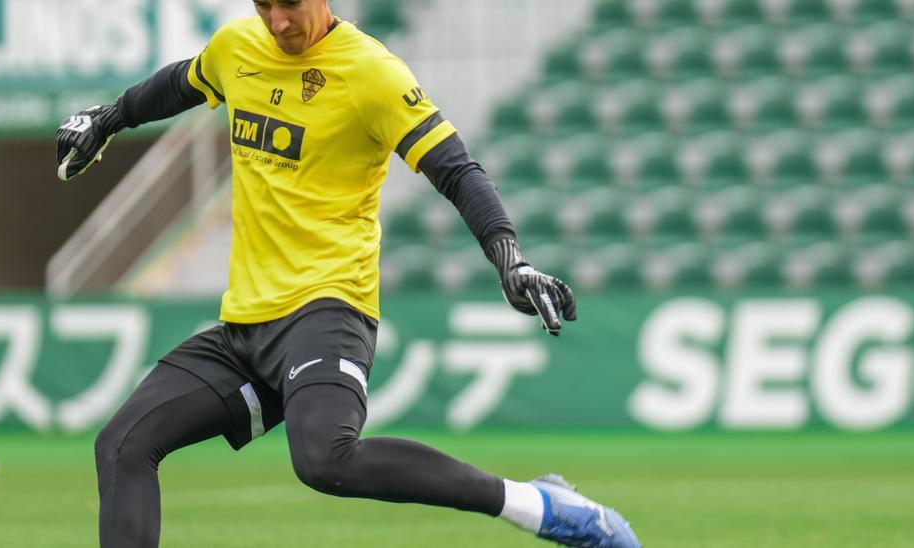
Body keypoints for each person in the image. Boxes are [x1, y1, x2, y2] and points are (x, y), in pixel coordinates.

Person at [55, 1, 640, 546]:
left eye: (290, 4)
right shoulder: (239, 47)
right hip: (246, 325)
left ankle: (539, 505)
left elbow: (458, 170)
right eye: (264, 5)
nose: (278, 22)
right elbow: (182, 81)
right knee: (123, 443)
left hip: (328, 310)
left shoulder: (371, 74)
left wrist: (509, 256)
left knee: (325, 458)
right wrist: (109, 118)